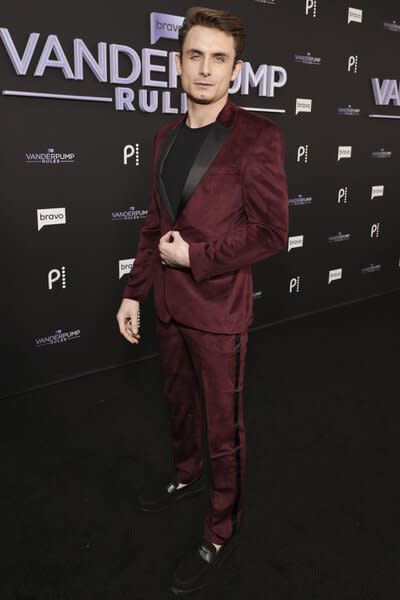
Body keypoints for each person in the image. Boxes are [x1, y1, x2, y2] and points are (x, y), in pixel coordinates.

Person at [116, 6, 289, 595]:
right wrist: (134, 292)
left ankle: (221, 526)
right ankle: (186, 476)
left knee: (224, 430)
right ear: (178, 64)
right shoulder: (164, 137)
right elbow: (152, 223)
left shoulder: (260, 137)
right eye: (195, 56)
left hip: (218, 314)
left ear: (235, 71)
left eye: (219, 58)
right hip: (167, 306)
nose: (206, 69)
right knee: (180, 408)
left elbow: (271, 231)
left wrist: (198, 258)